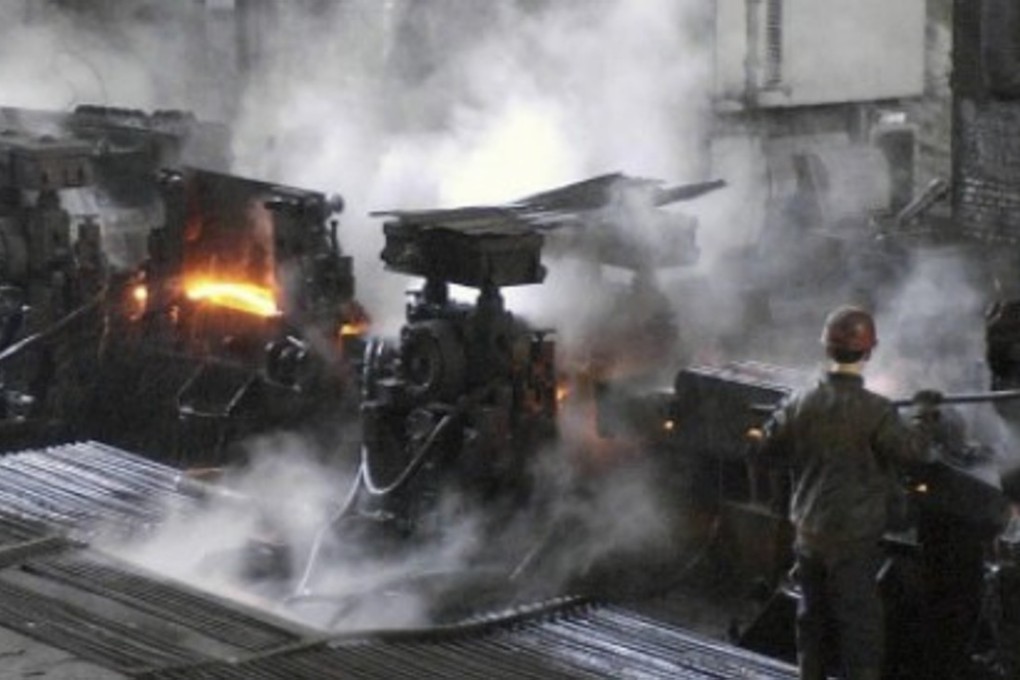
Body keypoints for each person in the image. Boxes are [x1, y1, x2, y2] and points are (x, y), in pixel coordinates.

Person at [753, 305, 939, 680]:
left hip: (808, 531)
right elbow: (916, 452)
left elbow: (764, 448)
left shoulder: (800, 401)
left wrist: (775, 419)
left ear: (826, 348)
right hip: (853, 539)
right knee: (860, 630)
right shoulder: (877, 410)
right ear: (870, 351)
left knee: (812, 620)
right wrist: (923, 413)